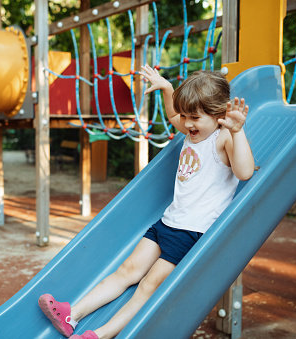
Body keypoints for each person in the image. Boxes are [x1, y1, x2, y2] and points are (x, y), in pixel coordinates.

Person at [38, 65, 255, 339]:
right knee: (127, 271)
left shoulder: (223, 138)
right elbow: (174, 115)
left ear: (219, 114)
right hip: (168, 222)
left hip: (192, 232)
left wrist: (237, 131)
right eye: (186, 116)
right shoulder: (192, 132)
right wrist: (166, 89)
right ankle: (72, 314)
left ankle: (100, 335)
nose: (187, 123)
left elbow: (245, 171)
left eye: (195, 118)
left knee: (147, 286)